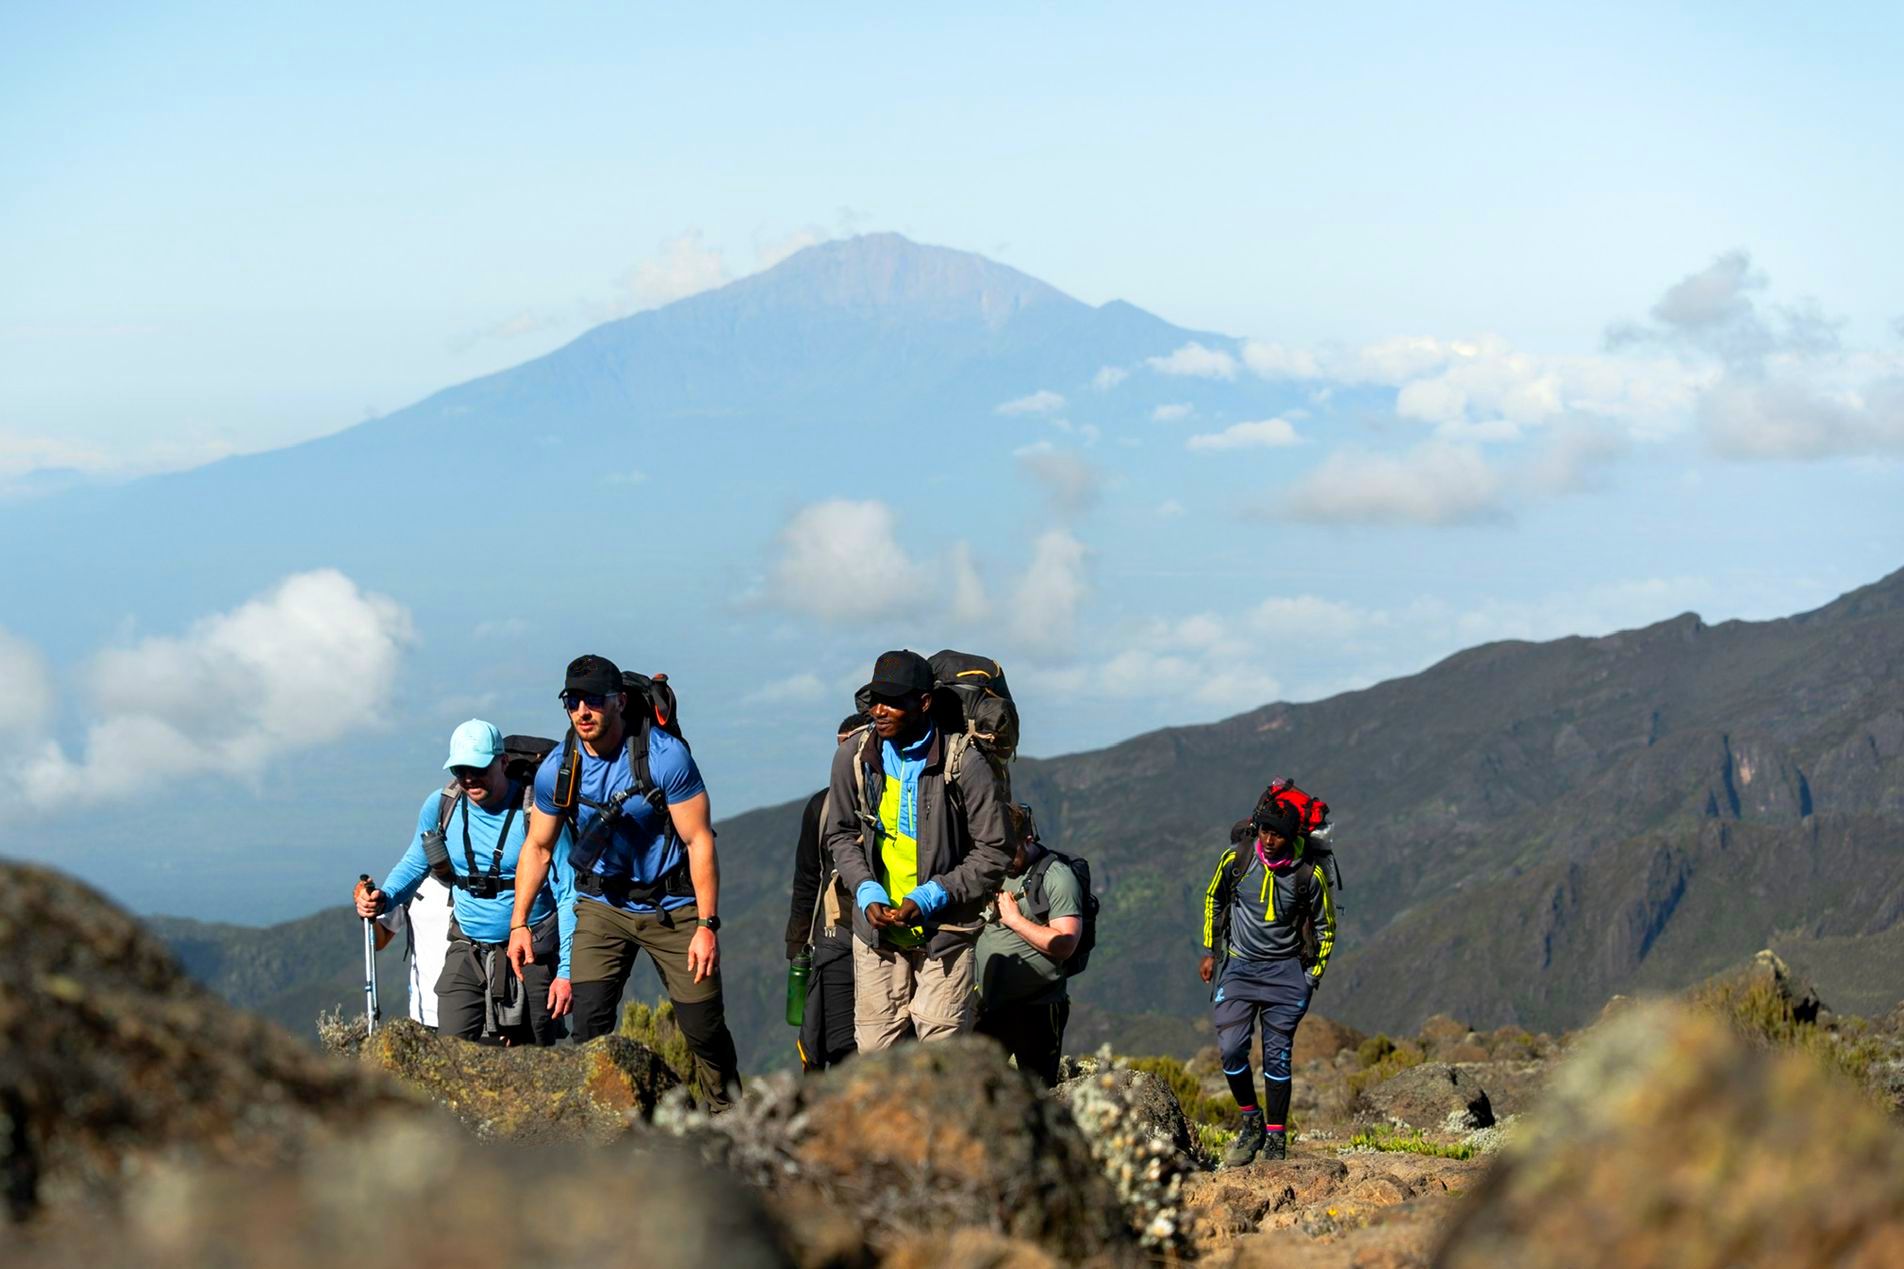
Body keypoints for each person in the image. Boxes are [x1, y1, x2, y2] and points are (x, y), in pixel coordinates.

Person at [508, 654, 742, 1110]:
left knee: (703, 1030)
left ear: (617, 702)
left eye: (593, 700)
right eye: (573, 702)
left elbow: (698, 841)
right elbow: (537, 848)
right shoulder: (558, 769)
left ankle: (730, 1118)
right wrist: (519, 924)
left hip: (673, 905)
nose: (582, 711)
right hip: (603, 905)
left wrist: (706, 926)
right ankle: (596, 1129)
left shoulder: (664, 757)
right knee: (589, 1028)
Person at [823, 649, 1012, 1051]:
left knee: (941, 1059)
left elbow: (995, 850)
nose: (879, 710)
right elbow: (839, 835)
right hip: (877, 930)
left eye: (892, 701)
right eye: (875, 700)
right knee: (876, 1053)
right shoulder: (854, 759)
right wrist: (866, 890)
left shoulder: (965, 763)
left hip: (946, 930)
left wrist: (932, 894)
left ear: (923, 702)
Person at [356, 719, 576, 1045]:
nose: (469, 778)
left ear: (502, 762)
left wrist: (566, 971)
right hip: (467, 947)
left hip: (530, 954)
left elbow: (569, 893)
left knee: (531, 1060)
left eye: (478, 768)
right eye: (460, 770)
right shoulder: (443, 805)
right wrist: (383, 898)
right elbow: (415, 862)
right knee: (451, 1052)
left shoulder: (536, 811)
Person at [1200, 792, 1336, 1166]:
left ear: (1290, 835)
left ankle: (1276, 1138)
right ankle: (1251, 1122)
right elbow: (1214, 897)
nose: (1268, 839)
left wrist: (1310, 978)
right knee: (1230, 1048)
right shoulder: (1237, 859)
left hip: (1286, 974)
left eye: (1276, 834)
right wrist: (1211, 950)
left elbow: (1327, 928)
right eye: (1263, 831)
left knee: (1277, 1058)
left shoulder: (1309, 874)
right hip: (1241, 967)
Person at [973, 806, 1082, 1087]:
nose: (1005, 858)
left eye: (1011, 850)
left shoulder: (1058, 878)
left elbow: (1066, 944)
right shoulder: (991, 865)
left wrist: (1015, 920)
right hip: (988, 1005)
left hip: (1038, 1008)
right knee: (978, 1088)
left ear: (1029, 840)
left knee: (1038, 1093)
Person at [785, 713, 869, 1073]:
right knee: (837, 1039)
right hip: (834, 936)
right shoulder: (820, 807)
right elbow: (807, 877)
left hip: (882, 934)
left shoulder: (894, 798)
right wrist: (797, 942)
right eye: (840, 747)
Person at [378, 872, 453, 1029]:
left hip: (481, 1014)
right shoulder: (411, 876)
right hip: (425, 1014)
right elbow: (379, 939)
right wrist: (368, 911)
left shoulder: (483, 871)